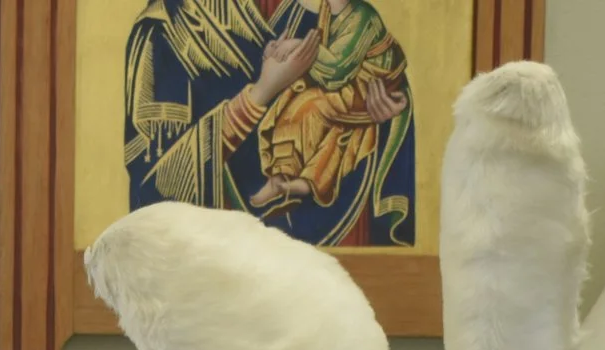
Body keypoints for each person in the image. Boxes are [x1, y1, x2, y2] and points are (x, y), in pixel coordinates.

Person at [123, 0, 414, 246]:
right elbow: (154, 190)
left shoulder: (332, 9)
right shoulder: (169, 25)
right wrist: (260, 94)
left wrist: (380, 111)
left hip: (334, 261)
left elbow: (379, 73)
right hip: (217, 259)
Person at [248, 0, 410, 216]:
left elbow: (337, 70)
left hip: (368, 88)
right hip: (341, 83)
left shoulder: (364, 16)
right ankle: (280, 176)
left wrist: (296, 46)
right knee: (290, 99)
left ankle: (305, 184)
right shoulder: (326, 8)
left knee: (311, 108)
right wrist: (276, 53)